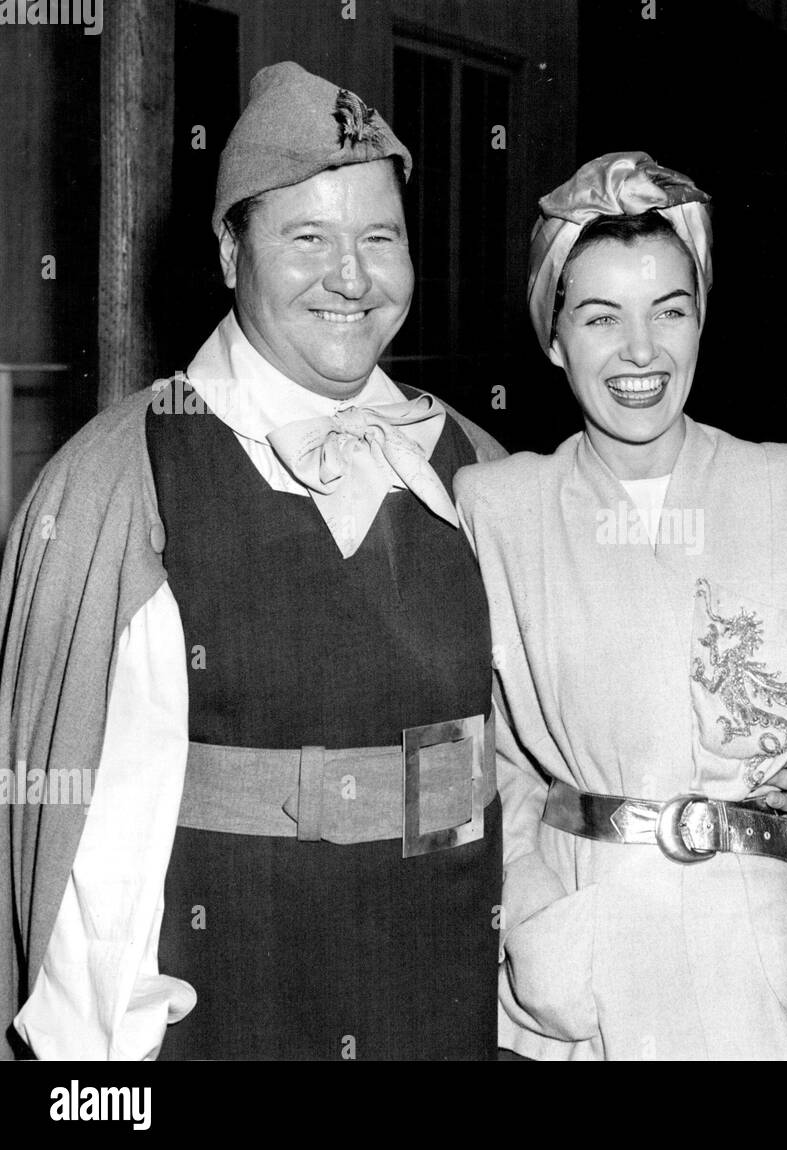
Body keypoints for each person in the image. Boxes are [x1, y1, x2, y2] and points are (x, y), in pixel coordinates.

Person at [0, 62, 506, 1060]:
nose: (351, 277)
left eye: (379, 238)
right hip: (232, 1012)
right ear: (231, 251)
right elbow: (85, 841)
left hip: (445, 998)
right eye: (307, 239)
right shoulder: (123, 478)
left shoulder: (477, 467)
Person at [454, 152, 787, 1060]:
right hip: (583, 975)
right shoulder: (495, 509)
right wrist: (531, 910)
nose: (641, 351)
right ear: (554, 337)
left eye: (670, 311)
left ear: (702, 319)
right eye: (601, 318)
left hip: (756, 975)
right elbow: (481, 759)